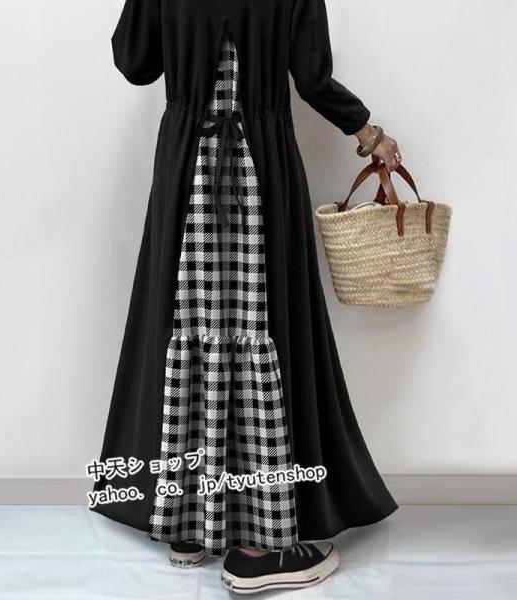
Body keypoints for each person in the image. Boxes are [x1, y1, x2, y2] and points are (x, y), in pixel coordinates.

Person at [91, 0, 399, 593]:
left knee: (187, 320)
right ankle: (258, 545)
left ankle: (187, 524)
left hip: (188, 164)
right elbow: (312, 77)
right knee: (261, 327)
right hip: (260, 163)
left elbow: (134, 62)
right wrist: (368, 132)